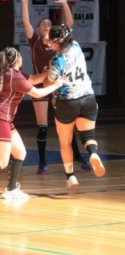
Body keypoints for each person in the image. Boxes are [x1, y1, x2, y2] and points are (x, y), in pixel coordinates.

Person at [0, 47, 63, 203]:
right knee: (1, 161)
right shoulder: (14, 77)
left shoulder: (13, 74)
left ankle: (12, 189)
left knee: (20, 152)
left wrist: (48, 73)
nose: (22, 58)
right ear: (16, 60)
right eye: (20, 56)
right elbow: (37, 93)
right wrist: (56, 85)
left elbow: (35, 79)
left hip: (3, 120)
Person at [17, 0, 90, 175]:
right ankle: (42, 162)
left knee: (68, 124)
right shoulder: (34, 41)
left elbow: (70, 23)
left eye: (49, 23)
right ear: (39, 28)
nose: (46, 25)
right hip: (41, 85)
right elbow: (25, 23)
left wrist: (65, 4)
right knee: (42, 126)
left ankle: (77, 156)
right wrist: (25, 3)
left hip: (58, 86)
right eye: (43, 24)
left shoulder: (61, 42)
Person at [45, 24, 105, 189]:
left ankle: (70, 176)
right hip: (88, 97)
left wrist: (47, 71)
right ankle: (93, 153)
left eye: (51, 41)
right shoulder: (77, 46)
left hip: (67, 102)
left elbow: (50, 80)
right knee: (88, 136)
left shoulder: (57, 60)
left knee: (66, 142)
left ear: (56, 43)